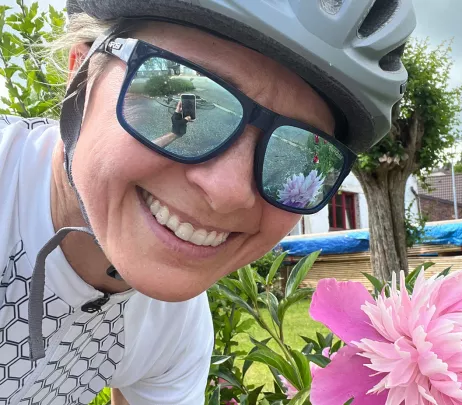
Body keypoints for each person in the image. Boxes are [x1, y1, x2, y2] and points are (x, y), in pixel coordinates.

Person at [0, 0, 415, 404]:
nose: (229, 192)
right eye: (184, 104)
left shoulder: (176, 330)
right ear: (82, 75)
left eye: (302, 155)